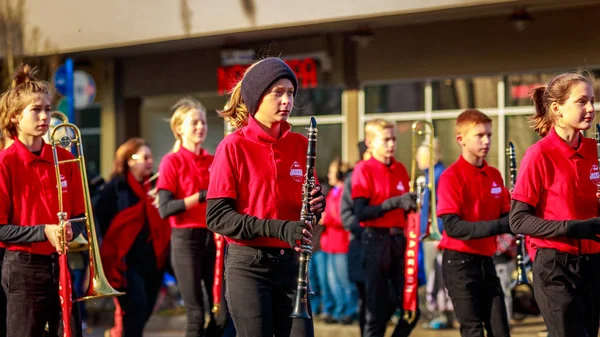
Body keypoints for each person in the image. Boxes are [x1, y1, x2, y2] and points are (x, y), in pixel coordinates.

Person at [206, 57, 325, 337]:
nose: (287, 100)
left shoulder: (300, 143)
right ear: (257, 97)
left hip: (291, 264)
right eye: (278, 93)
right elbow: (217, 217)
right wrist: (281, 228)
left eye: (291, 93)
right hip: (249, 266)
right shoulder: (232, 147)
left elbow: (310, 205)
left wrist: (317, 206)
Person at [510, 72, 600, 337]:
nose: (591, 109)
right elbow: (518, 220)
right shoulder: (538, 155)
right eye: (582, 101)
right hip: (555, 266)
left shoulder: (595, 149)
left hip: (593, 262)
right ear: (557, 109)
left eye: (592, 101)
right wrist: (572, 228)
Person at [0, 64, 85, 337]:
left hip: (60, 264)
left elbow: (80, 216)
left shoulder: (65, 158)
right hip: (23, 269)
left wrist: (73, 229)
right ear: (14, 117)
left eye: (48, 109)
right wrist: (44, 231)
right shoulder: (5, 163)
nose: (44, 116)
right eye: (35, 110)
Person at [436, 109, 512, 337]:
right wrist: (500, 226)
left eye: (489, 134)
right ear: (461, 140)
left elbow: (509, 216)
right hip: (459, 263)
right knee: (473, 330)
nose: (487, 140)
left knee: (501, 330)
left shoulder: (494, 174)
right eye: (479, 135)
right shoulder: (451, 177)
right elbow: (453, 227)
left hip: (486, 261)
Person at [155, 97, 219, 337]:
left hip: (213, 238)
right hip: (185, 239)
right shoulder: (171, 161)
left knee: (220, 311)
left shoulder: (213, 160)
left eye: (203, 122)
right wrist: (199, 196)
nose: (201, 127)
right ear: (179, 129)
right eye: (195, 123)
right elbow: (165, 208)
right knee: (195, 313)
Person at [95, 138, 170, 337]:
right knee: (135, 309)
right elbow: (105, 222)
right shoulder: (116, 187)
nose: (149, 161)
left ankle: (117, 333)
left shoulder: (153, 188)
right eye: (144, 157)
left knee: (145, 310)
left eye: (150, 157)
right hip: (126, 262)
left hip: (153, 260)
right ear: (130, 160)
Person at [351, 118, 419, 337]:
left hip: (399, 241)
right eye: (386, 139)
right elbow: (361, 213)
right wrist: (394, 203)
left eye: (394, 139)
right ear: (370, 142)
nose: (391, 144)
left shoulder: (400, 168)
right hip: (375, 240)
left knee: (411, 309)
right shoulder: (364, 169)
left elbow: (404, 208)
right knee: (377, 311)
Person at [414, 139, 454, 330]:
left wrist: (439, 233)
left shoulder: (438, 175)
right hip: (430, 232)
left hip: (436, 234)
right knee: (433, 276)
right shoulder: (430, 174)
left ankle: (442, 314)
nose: (416, 159)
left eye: (420, 156)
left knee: (436, 276)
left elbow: (441, 207)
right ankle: (440, 313)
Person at [321, 159, 357, 324]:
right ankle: (339, 310)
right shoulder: (334, 192)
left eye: (331, 171)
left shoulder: (344, 192)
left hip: (342, 243)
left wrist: (326, 218)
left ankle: (350, 310)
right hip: (330, 243)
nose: (329, 175)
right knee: (333, 282)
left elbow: (342, 218)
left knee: (344, 281)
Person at [340, 141, 368, 336]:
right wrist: (364, 231)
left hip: (386, 246)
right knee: (366, 299)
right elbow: (346, 214)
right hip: (361, 245)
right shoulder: (354, 178)